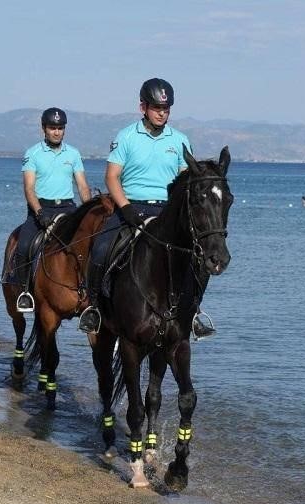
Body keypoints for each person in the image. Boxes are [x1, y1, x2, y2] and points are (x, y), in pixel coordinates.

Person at [78, 78, 216, 339]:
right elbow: (112, 177)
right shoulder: (126, 137)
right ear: (143, 107)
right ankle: (94, 309)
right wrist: (126, 207)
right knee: (101, 248)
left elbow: (186, 182)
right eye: (156, 108)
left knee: (198, 257)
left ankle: (194, 311)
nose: (162, 113)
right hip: (131, 207)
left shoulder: (180, 140)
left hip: (167, 212)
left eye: (166, 108)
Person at [12, 107, 91, 312]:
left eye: (60, 128)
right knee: (24, 246)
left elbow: (82, 186)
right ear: (43, 129)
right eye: (52, 128)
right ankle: (25, 292)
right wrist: (38, 212)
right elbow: (29, 188)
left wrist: (89, 209)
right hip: (42, 208)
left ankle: (93, 294)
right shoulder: (33, 154)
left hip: (68, 208)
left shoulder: (73, 153)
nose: (56, 132)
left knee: (91, 244)